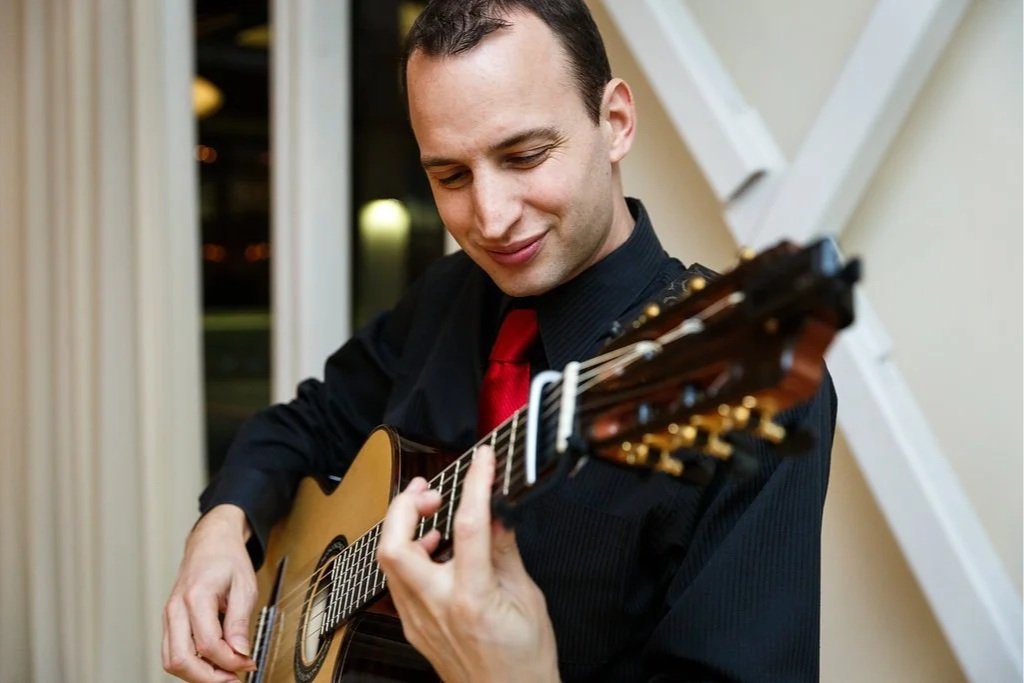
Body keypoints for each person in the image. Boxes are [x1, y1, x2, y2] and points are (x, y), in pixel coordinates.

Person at [162, 1, 837, 681]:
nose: (490, 218)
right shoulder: (449, 295)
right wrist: (223, 522)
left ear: (615, 123)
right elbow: (308, 421)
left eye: (525, 155)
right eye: (451, 175)